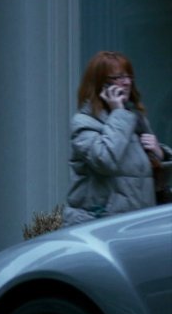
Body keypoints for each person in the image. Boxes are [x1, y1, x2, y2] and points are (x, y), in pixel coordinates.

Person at [63, 51, 172, 226]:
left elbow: (149, 179)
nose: (127, 82)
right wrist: (118, 112)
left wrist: (160, 155)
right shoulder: (83, 122)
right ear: (101, 84)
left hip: (137, 224)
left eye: (129, 76)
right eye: (118, 77)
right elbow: (104, 160)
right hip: (100, 225)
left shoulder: (135, 119)